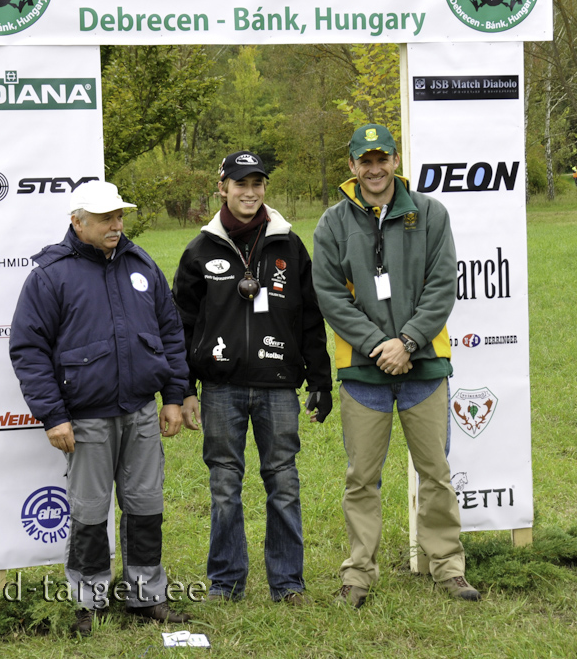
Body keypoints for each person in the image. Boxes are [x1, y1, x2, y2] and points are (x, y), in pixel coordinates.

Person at [9, 180, 196, 636]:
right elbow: (29, 349)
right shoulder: (50, 275)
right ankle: (87, 603)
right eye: (105, 218)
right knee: (90, 514)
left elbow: (170, 333)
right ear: (78, 222)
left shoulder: (141, 264)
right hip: (86, 417)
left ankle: (145, 597)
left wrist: (174, 397)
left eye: (119, 216)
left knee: (146, 507)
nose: (116, 224)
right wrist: (53, 416)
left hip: (140, 411)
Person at [311, 124, 480, 608]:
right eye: (365, 160)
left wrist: (406, 342)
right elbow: (330, 295)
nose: (374, 168)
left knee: (436, 473)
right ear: (352, 166)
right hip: (362, 371)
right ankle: (358, 574)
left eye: (381, 158)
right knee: (362, 479)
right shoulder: (332, 223)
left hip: (424, 366)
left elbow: (442, 285)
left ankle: (448, 567)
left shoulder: (430, 213)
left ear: (395, 161)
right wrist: (378, 346)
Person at [172, 151, 332, 605]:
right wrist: (184, 389)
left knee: (283, 483)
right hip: (220, 387)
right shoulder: (200, 249)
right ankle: (225, 583)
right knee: (225, 487)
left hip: (278, 385)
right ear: (222, 187)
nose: (249, 192)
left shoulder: (289, 245)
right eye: (240, 183)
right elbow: (181, 325)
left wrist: (320, 381)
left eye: (257, 183)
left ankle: (288, 583)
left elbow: (310, 317)